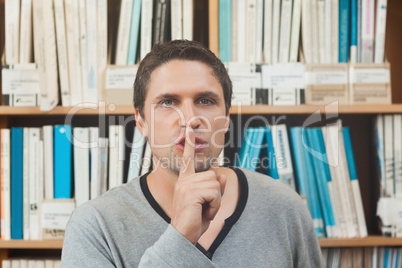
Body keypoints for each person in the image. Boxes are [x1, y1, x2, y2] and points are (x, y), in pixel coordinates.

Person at [62, 40, 323, 267]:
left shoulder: (286, 209)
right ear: (141, 121)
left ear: (226, 120)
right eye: (167, 102)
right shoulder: (94, 227)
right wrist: (179, 238)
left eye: (205, 101)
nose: (190, 119)